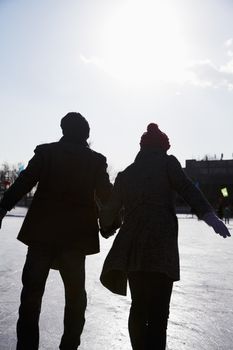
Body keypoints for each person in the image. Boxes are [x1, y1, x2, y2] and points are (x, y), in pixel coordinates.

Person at [99, 123, 231, 350]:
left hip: (134, 248)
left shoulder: (126, 174)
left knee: (139, 306)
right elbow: (189, 189)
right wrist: (211, 217)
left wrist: (105, 227)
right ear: (163, 147)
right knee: (160, 311)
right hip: (162, 247)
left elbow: (110, 210)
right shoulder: (167, 163)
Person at [0, 112, 113, 350]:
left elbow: (24, 182)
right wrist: (112, 224)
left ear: (63, 130)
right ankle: (69, 346)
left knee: (31, 296)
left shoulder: (46, 153)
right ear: (86, 134)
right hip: (76, 239)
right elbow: (107, 197)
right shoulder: (95, 161)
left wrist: (2, 207)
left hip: (42, 234)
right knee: (75, 298)